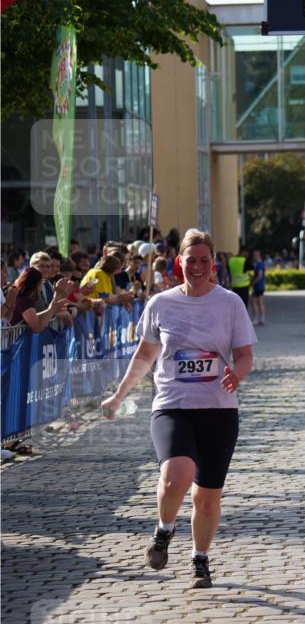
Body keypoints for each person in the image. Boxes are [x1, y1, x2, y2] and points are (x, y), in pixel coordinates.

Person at [100, 229, 256, 589]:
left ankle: (200, 559)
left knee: (207, 498)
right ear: (179, 262)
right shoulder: (161, 303)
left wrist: (238, 373)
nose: (197, 266)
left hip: (218, 409)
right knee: (175, 475)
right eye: (191, 260)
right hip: (173, 404)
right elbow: (144, 355)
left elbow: (245, 354)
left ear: (213, 264)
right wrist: (119, 396)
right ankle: (164, 529)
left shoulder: (230, 303)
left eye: (204, 260)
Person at [249, 249, 266, 325]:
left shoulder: (259, 264)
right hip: (260, 286)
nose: (254, 257)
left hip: (258, 286)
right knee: (260, 302)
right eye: (254, 255)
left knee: (254, 302)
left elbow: (259, 276)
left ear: (259, 256)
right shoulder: (259, 264)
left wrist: (253, 283)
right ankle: (262, 318)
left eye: (256, 255)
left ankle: (256, 319)